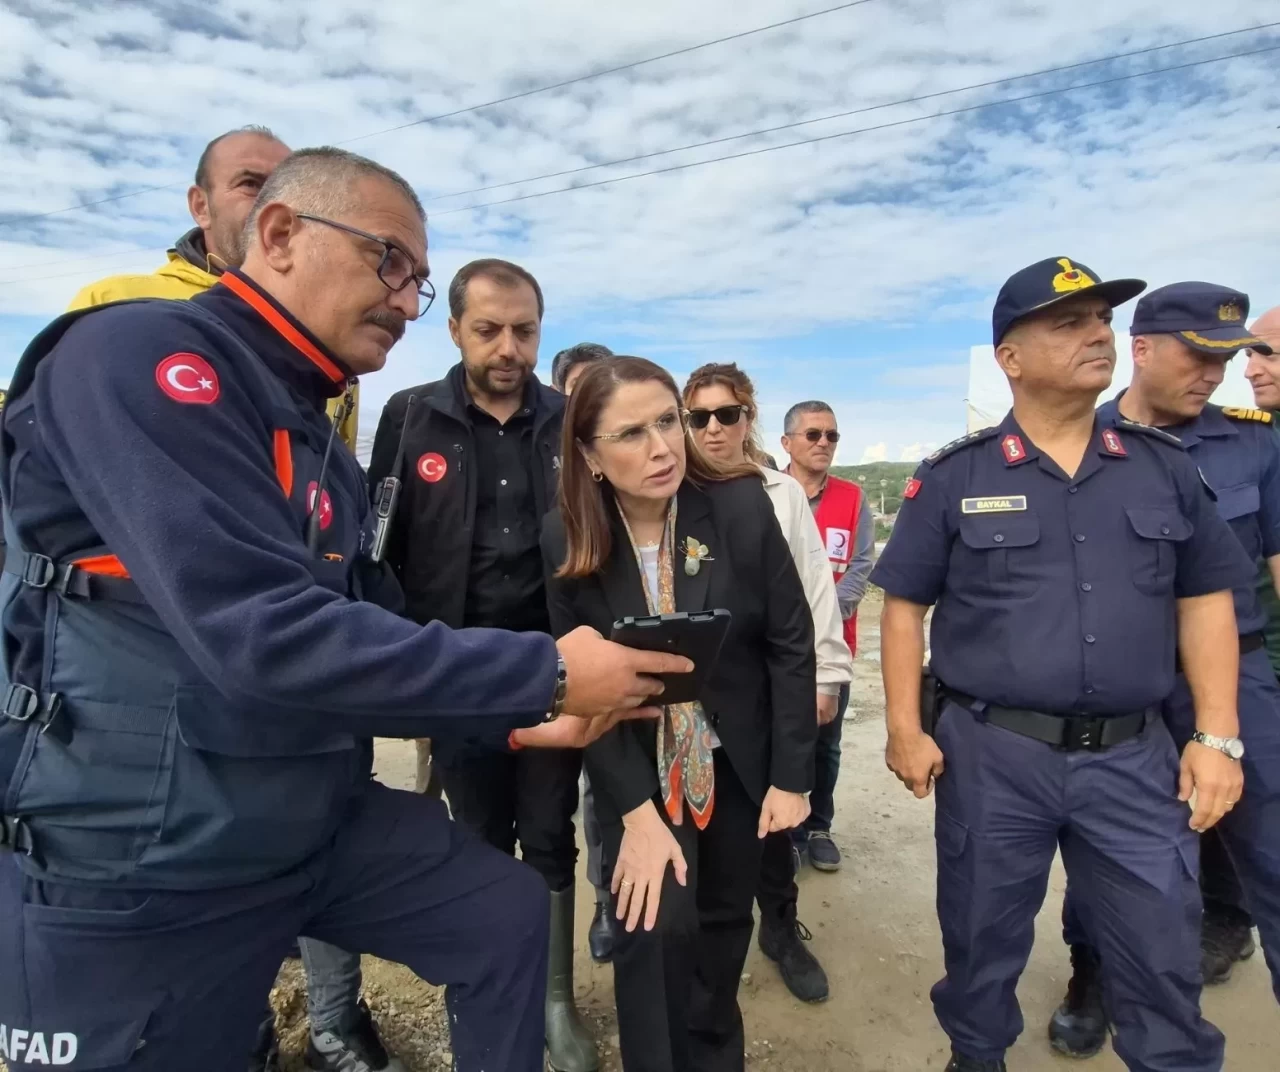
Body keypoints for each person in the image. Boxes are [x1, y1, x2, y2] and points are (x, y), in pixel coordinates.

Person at [0, 147, 691, 1072]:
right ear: (281, 235)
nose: (409, 302)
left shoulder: (318, 442)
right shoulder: (140, 357)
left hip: (307, 821)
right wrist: (552, 673)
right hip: (143, 861)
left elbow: (382, 629)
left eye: (418, 279)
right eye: (390, 264)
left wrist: (530, 725)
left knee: (507, 911)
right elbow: (263, 635)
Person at [872, 256, 1252, 1072]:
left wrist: (1216, 737)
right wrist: (904, 728)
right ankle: (977, 1058)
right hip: (993, 755)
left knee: (1160, 953)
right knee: (980, 940)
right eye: (1068, 323)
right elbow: (904, 608)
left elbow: (1206, 601)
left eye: (1104, 322)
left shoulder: (1161, 468)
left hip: (1133, 758)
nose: (1097, 337)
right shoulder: (953, 478)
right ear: (1009, 357)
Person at [63, 126, 377, 1072]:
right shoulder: (118, 315)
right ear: (203, 206)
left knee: (326, 820)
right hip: (161, 690)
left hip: (299, 661)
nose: (261, 199)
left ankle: (331, 1018)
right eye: (247, 182)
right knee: (199, 880)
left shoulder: (321, 347)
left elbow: (330, 502)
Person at [541, 356, 817, 1072]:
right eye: (631, 433)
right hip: (635, 766)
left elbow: (789, 642)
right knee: (654, 931)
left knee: (725, 929)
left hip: (735, 761)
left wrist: (792, 777)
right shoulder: (567, 537)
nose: (663, 447)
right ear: (590, 456)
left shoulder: (740, 505)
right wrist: (634, 815)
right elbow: (578, 688)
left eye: (668, 421)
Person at [367, 260, 596, 1072]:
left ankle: (557, 1001)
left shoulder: (569, 420)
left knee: (550, 833)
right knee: (480, 838)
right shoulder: (408, 417)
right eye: (490, 329)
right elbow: (378, 549)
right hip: (456, 675)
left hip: (554, 671)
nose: (509, 347)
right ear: (456, 327)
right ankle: (499, 993)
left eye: (525, 331)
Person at [1047, 283, 1280, 1057]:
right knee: (1104, 850)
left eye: (1229, 357)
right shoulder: (1078, 436)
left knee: (1271, 851)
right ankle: (1095, 976)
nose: (1216, 373)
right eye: (1199, 354)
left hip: (1240, 683)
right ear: (1141, 348)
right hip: (1126, 686)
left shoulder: (1255, 442)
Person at [683, 362, 853, 1004]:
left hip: (766, 687)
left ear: (749, 417)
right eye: (698, 417)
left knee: (772, 821)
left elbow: (814, 590)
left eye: (728, 414)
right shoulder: (675, 490)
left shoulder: (778, 493)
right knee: (704, 821)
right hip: (698, 695)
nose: (714, 429)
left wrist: (827, 676)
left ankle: (780, 929)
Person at [778, 401, 874, 872]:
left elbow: (859, 567)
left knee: (825, 743)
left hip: (831, 650)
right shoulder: (767, 493)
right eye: (813, 434)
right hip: (776, 649)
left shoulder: (853, 498)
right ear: (787, 443)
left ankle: (818, 825)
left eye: (832, 436)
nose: (823, 444)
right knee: (780, 739)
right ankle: (784, 832)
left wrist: (822, 619)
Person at [548, 340, 619, 965]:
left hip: (598, 657)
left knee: (602, 791)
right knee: (547, 809)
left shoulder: (619, 468)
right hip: (532, 652)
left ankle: (605, 904)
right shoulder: (541, 458)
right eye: (579, 390)